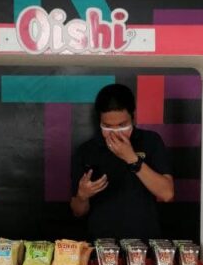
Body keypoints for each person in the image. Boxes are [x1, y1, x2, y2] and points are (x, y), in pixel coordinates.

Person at [70, 83, 174, 240]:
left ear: (133, 116)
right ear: (99, 122)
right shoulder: (86, 150)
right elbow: (78, 212)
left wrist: (131, 158)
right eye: (108, 126)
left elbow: (167, 194)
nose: (115, 133)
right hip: (101, 244)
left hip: (144, 244)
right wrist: (82, 196)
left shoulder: (151, 141)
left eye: (122, 125)